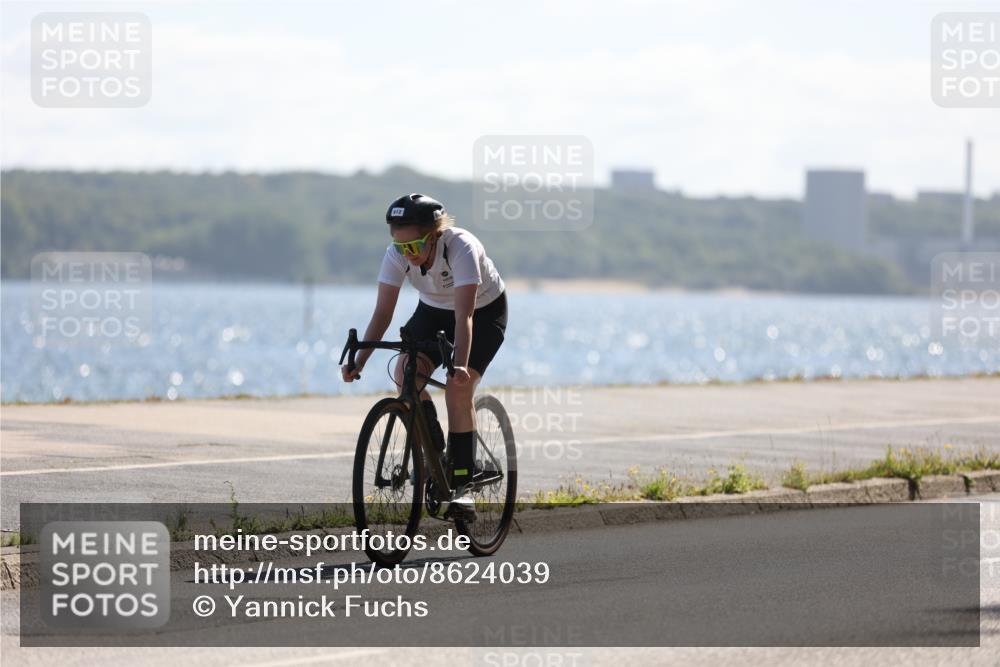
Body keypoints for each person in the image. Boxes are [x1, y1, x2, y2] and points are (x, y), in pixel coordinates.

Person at [342, 193, 508, 521]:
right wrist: (359, 362)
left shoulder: (461, 247)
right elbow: (382, 315)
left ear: (435, 234)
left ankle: (461, 488)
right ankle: (436, 454)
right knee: (405, 371)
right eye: (402, 248)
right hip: (432, 312)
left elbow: (465, 317)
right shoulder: (397, 254)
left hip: (482, 313)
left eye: (415, 246)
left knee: (458, 389)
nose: (409, 255)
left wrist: (459, 364)